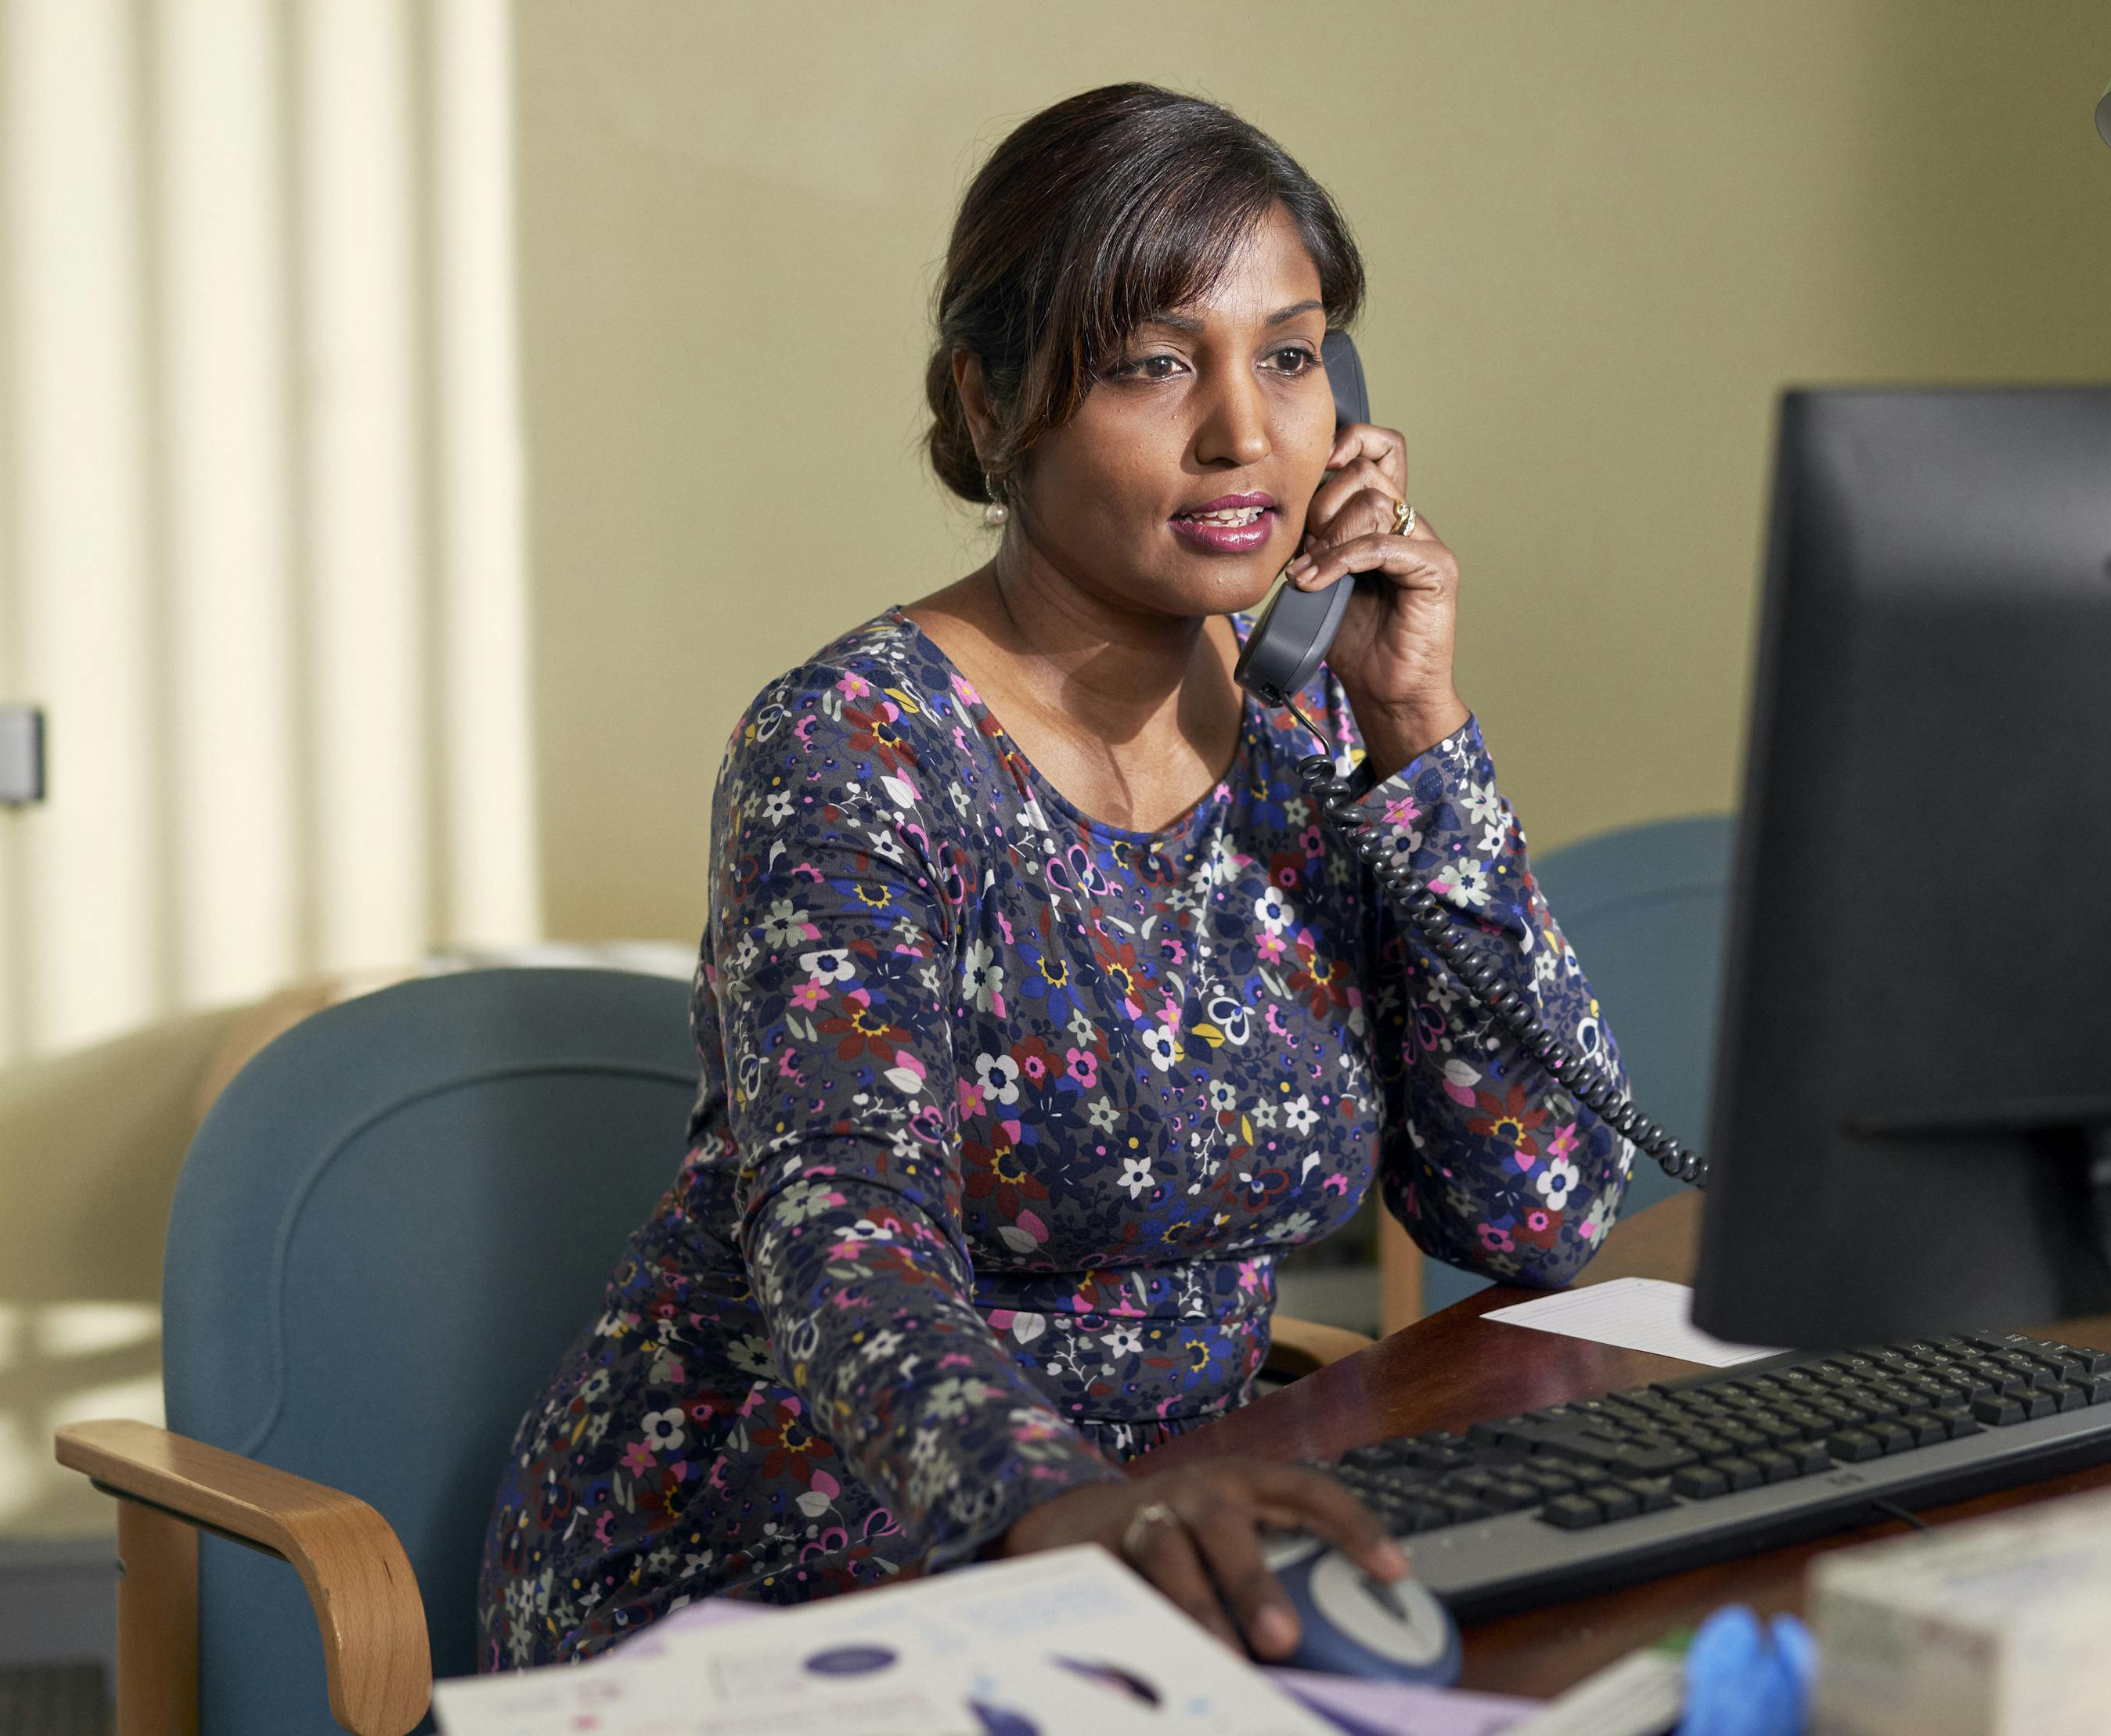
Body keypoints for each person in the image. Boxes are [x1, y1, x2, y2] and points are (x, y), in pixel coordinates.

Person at [481, 81, 1639, 1668]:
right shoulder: (856, 744)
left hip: (1166, 1554)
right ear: (990, 394)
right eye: (1155, 361)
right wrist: (1067, 1507)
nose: (1244, 430)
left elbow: (1540, 1203)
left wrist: (1416, 729)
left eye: (1290, 356)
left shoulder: (1307, 736)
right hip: (791, 1567)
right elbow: (847, 1230)